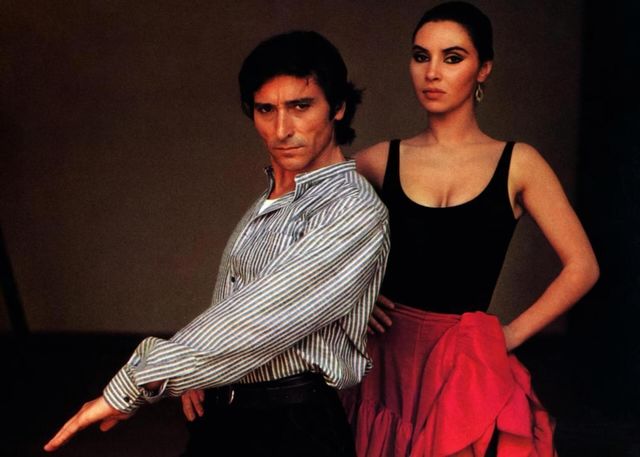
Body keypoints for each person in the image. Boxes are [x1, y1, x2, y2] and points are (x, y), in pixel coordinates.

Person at [44, 30, 390, 457]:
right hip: (228, 415)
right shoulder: (271, 199)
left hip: (293, 426)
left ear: (337, 107)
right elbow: (234, 304)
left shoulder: (351, 207)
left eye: (301, 106)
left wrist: (141, 379)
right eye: (266, 110)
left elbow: (262, 315)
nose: (282, 129)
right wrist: (200, 368)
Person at [342, 2, 599, 456]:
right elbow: (297, 235)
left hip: (465, 366)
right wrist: (353, 298)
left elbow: (583, 266)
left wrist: (510, 335)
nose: (432, 73)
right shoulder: (378, 161)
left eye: (452, 57)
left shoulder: (519, 163)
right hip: (384, 365)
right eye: (421, 56)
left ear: (483, 69)